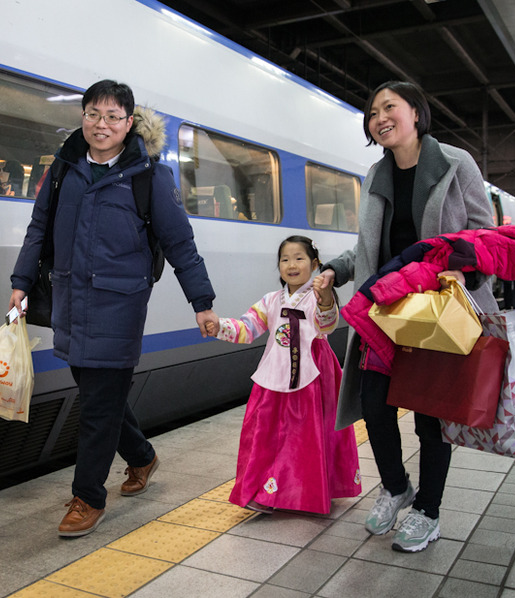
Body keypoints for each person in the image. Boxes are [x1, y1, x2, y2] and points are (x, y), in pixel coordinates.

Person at [8, 80, 218, 537]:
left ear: (128, 124)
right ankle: (142, 457)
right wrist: (21, 282)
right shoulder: (64, 169)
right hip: (70, 300)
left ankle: (88, 498)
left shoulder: (149, 177)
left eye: (112, 117)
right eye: (93, 114)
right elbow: (39, 226)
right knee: (99, 395)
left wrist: (202, 302)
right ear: (82, 117)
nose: (101, 125)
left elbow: (180, 242)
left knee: (97, 407)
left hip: (119, 306)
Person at [318, 81, 497, 553]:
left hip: (437, 309)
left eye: (389, 107)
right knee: (374, 406)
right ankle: (397, 487)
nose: (380, 117)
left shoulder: (457, 164)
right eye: (373, 111)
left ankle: (429, 511)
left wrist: (462, 272)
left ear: (416, 112)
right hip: (386, 311)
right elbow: (369, 248)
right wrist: (334, 270)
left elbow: (484, 234)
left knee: (430, 416)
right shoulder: (376, 175)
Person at [205, 236, 361, 514]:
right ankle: (263, 492)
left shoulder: (319, 297)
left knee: (306, 438)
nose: (291, 265)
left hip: (312, 378)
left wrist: (326, 298)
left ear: (314, 264)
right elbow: (246, 328)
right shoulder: (271, 301)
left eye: (299, 258)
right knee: (266, 436)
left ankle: (306, 492)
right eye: (285, 259)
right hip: (273, 377)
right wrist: (218, 326)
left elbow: (327, 324)